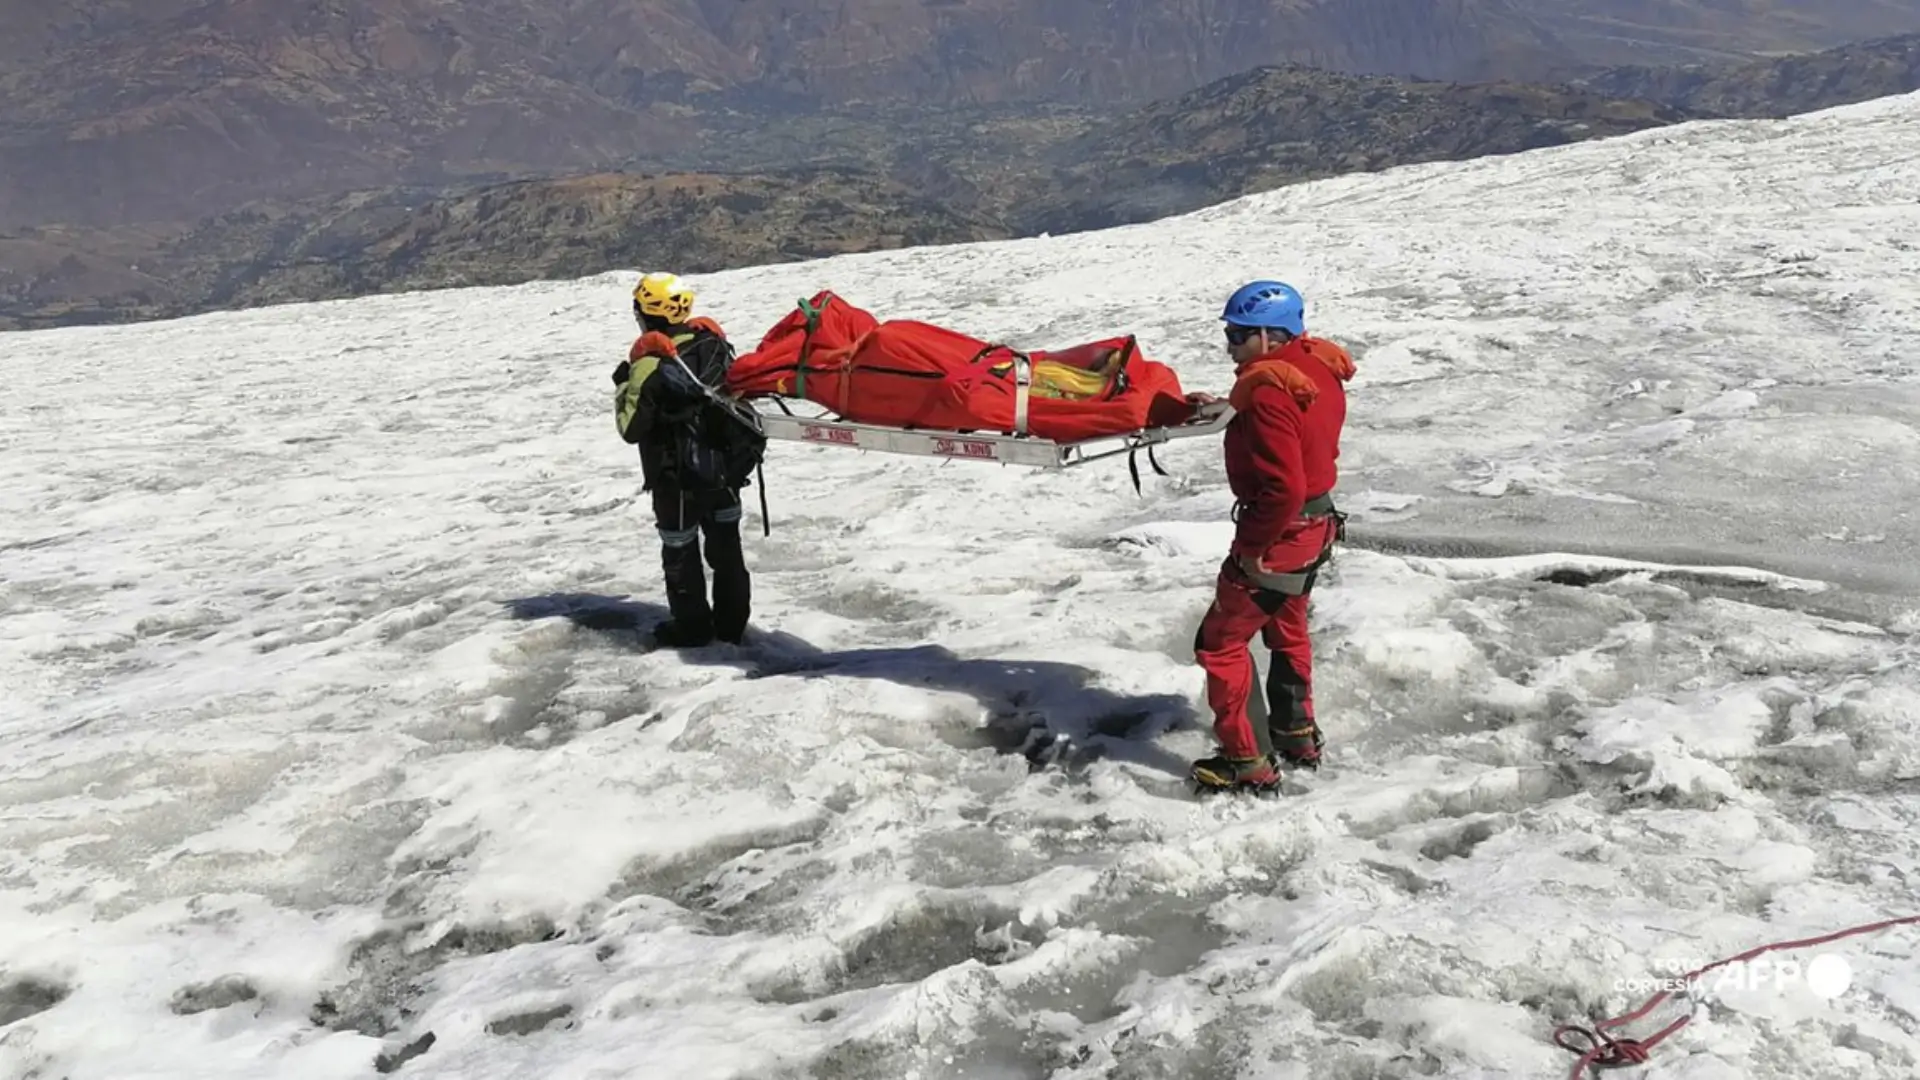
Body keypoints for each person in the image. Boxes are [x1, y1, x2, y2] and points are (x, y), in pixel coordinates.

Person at [1189, 279, 1355, 793]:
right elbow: (1296, 422)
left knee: (1220, 642)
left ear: (1267, 334)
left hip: (1282, 534)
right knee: (1287, 629)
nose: (1230, 346)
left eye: (1238, 335)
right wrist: (1229, 406)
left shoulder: (1267, 393)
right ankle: (1295, 733)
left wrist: (1253, 550)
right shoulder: (1313, 365)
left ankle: (1247, 761)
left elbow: (1284, 488)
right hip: (1315, 526)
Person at [611, 271, 766, 648]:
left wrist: (622, 385)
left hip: (676, 478)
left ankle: (693, 630)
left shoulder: (649, 363)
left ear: (648, 313)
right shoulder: (714, 345)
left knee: (680, 550)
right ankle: (732, 626)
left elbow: (631, 428)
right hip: (725, 471)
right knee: (726, 548)